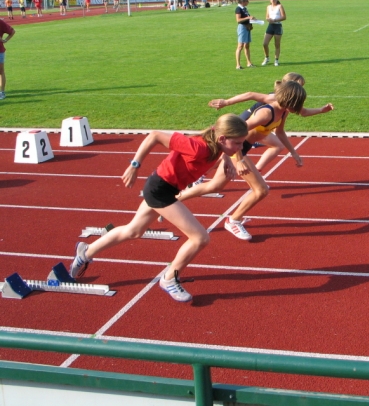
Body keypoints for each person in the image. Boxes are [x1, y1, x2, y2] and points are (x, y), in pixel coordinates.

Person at [67, 114, 249, 303]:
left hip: (166, 189)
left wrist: (226, 159)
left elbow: (225, 149)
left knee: (133, 231)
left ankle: (85, 252)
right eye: (237, 143)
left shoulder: (217, 145)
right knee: (200, 238)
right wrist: (134, 166)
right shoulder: (198, 148)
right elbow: (154, 135)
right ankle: (169, 278)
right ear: (222, 138)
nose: (240, 148)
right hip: (159, 190)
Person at [184, 80, 307, 241]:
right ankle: (233, 220)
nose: (299, 108)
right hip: (237, 148)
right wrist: (239, 159)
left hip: (241, 148)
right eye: (297, 104)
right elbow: (234, 134)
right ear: (289, 101)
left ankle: (171, 199)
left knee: (215, 186)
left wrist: (294, 153)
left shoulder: (283, 111)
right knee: (261, 190)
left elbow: (281, 133)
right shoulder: (266, 114)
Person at [209, 73, 334, 172]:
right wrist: (226, 102)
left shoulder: (286, 107)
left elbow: (300, 113)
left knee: (277, 145)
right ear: (288, 85)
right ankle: (202, 171)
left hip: (263, 127)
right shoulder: (274, 101)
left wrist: (321, 110)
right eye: (299, 85)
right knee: (226, 154)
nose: (300, 89)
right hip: (252, 121)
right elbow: (250, 94)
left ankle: (255, 169)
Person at [261, 0, 286, 66]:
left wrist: (275, 20)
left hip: (277, 26)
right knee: (265, 43)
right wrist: (268, 19)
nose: (272, 0)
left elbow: (284, 17)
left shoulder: (280, 6)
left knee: (277, 44)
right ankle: (267, 57)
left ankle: (276, 60)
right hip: (271, 26)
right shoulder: (268, 7)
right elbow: (267, 16)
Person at [235, 0, 256, 70]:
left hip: (247, 27)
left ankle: (249, 63)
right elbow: (238, 20)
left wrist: (251, 21)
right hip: (242, 28)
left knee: (247, 45)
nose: (248, 2)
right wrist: (248, 18)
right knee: (240, 46)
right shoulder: (238, 9)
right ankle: (238, 64)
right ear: (243, 2)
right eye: (247, 0)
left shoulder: (244, 9)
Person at [0, 18, 16, 100]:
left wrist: (5, 40)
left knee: (0, 71)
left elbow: (12, 31)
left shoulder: (0, 22)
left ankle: (2, 92)